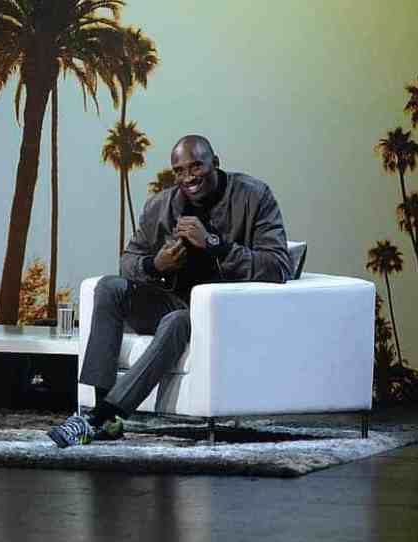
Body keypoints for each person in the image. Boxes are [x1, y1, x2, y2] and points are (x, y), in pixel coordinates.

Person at [48, 135, 292, 447]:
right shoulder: (160, 206)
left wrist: (216, 245)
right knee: (110, 287)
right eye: (179, 171)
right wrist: (155, 266)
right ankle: (102, 412)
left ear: (215, 163)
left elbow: (277, 266)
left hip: (222, 311)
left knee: (177, 321)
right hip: (174, 300)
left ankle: (101, 417)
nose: (188, 177)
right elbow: (128, 262)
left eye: (196, 167)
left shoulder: (253, 196)